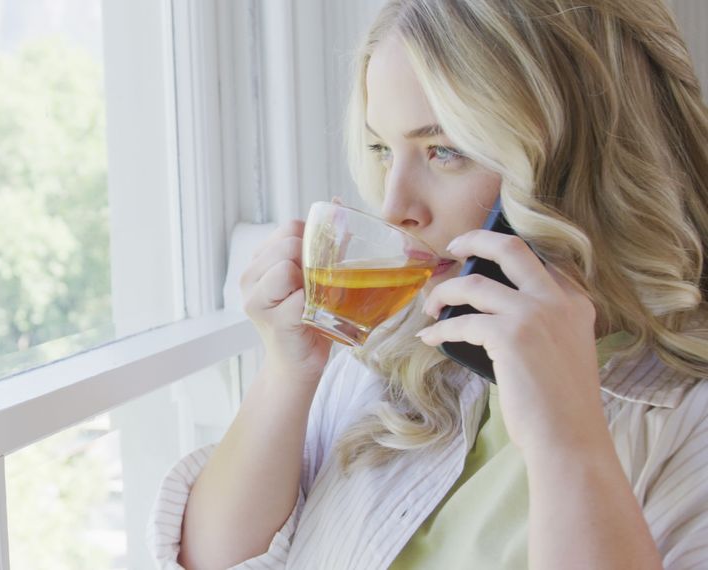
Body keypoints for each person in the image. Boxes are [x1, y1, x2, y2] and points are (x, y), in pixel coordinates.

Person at [148, 0, 708, 568]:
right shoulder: (390, 350)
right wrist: (289, 373)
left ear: (586, 160)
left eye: (445, 150)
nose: (394, 207)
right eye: (383, 150)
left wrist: (568, 441)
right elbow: (212, 560)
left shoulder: (690, 423)